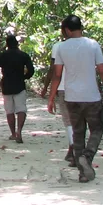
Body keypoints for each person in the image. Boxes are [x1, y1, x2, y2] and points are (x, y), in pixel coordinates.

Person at [46, 15, 103, 183]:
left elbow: (57, 75)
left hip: (71, 97)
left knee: (78, 133)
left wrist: (51, 98)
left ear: (66, 30)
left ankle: (83, 174)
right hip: (91, 96)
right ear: (81, 27)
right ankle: (87, 157)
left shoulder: (61, 48)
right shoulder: (93, 45)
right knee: (97, 128)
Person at [0, 34, 35, 144]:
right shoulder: (23, 55)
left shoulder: (2, 56)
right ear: (17, 43)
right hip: (19, 84)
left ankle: (13, 133)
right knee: (21, 109)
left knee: (9, 111)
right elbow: (31, 70)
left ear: (7, 44)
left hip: (6, 85)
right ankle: (19, 131)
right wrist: (25, 77)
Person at [41, 31, 74, 166]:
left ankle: (73, 146)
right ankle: (77, 148)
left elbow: (55, 71)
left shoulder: (58, 47)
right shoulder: (90, 45)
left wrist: (49, 91)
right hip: (85, 89)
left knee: (68, 120)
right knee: (80, 119)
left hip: (64, 88)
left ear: (64, 31)